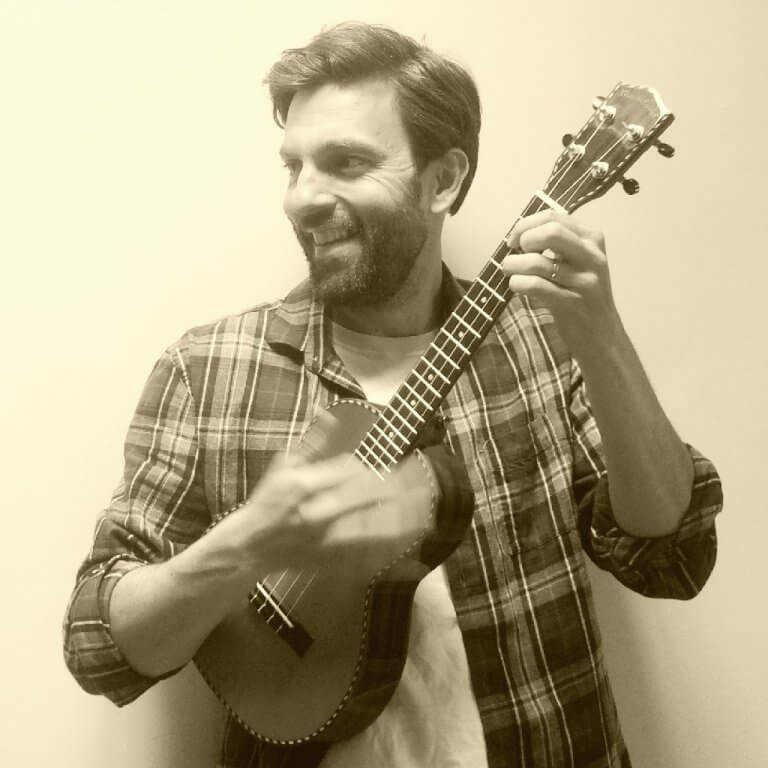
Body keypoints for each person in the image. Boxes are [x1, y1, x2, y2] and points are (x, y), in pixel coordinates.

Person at [63, 21, 722, 768]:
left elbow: (671, 557)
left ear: (443, 181)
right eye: (293, 166)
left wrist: (601, 336)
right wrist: (249, 540)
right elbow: (99, 646)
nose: (302, 198)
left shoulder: (541, 341)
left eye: (346, 162)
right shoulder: (208, 369)